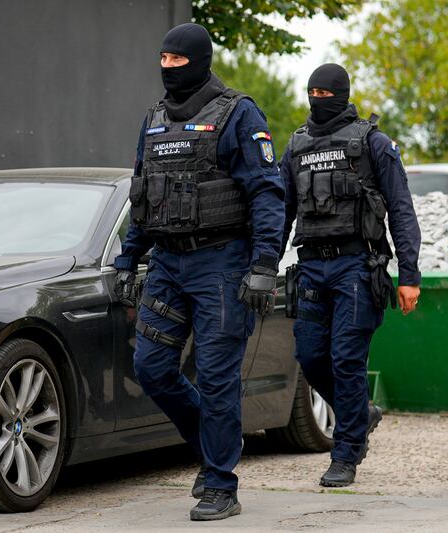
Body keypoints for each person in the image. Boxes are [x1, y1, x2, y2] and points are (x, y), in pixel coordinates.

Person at [113, 23, 285, 521]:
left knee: (216, 377)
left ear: (199, 60)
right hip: (166, 263)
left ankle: (220, 482)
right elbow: (144, 196)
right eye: (162, 61)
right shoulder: (153, 119)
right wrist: (128, 258)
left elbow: (267, 195)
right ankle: (211, 447)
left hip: (221, 264)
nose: (167, 69)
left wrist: (264, 267)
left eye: (176, 61)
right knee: (152, 367)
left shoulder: (238, 114)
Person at [279, 63, 421, 487]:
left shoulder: (372, 142)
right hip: (310, 266)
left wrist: (409, 274)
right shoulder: (297, 146)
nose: (318, 99)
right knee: (309, 356)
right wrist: (263, 264)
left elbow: (401, 209)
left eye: (326, 93)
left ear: (341, 94)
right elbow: (281, 212)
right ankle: (361, 411)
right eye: (312, 92)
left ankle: (345, 453)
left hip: (357, 266)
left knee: (346, 359)